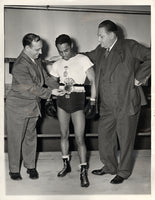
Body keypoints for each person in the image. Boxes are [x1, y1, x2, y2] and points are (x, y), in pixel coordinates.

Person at [85, 20, 151, 184]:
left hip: (126, 101)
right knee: (105, 137)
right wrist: (69, 56)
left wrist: (139, 77)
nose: (98, 39)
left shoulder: (129, 46)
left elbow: (152, 55)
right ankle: (109, 166)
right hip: (107, 105)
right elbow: (86, 56)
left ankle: (124, 171)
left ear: (112, 35)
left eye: (101, 36)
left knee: (126, 139)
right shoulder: (100, 51)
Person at [6, 33, 64, 181]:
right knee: (16, 139)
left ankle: (30, 166)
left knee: (31, 137)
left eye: (41, 49)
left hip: (33, 105)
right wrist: (51, 93)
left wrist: (61, 87)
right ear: (27, 48)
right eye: (37, 49)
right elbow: (31, 88)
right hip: (18, 107)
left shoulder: (35, 60)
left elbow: (45, 78)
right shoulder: (19, 65)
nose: (41, 52)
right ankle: (14, 170)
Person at [47, 34, 96, 187]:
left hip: (78, 102)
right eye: (60, 51)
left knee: (80, 138)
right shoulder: (57, 64)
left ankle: (83, 171)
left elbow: (94, 80)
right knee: (63, 135)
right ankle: (65, 164)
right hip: (62, 101)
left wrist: (93, 101)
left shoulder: (83, 59)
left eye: (66, 50)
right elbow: (51, 82)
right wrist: (49, 99)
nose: (63, 54)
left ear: (71, 46)